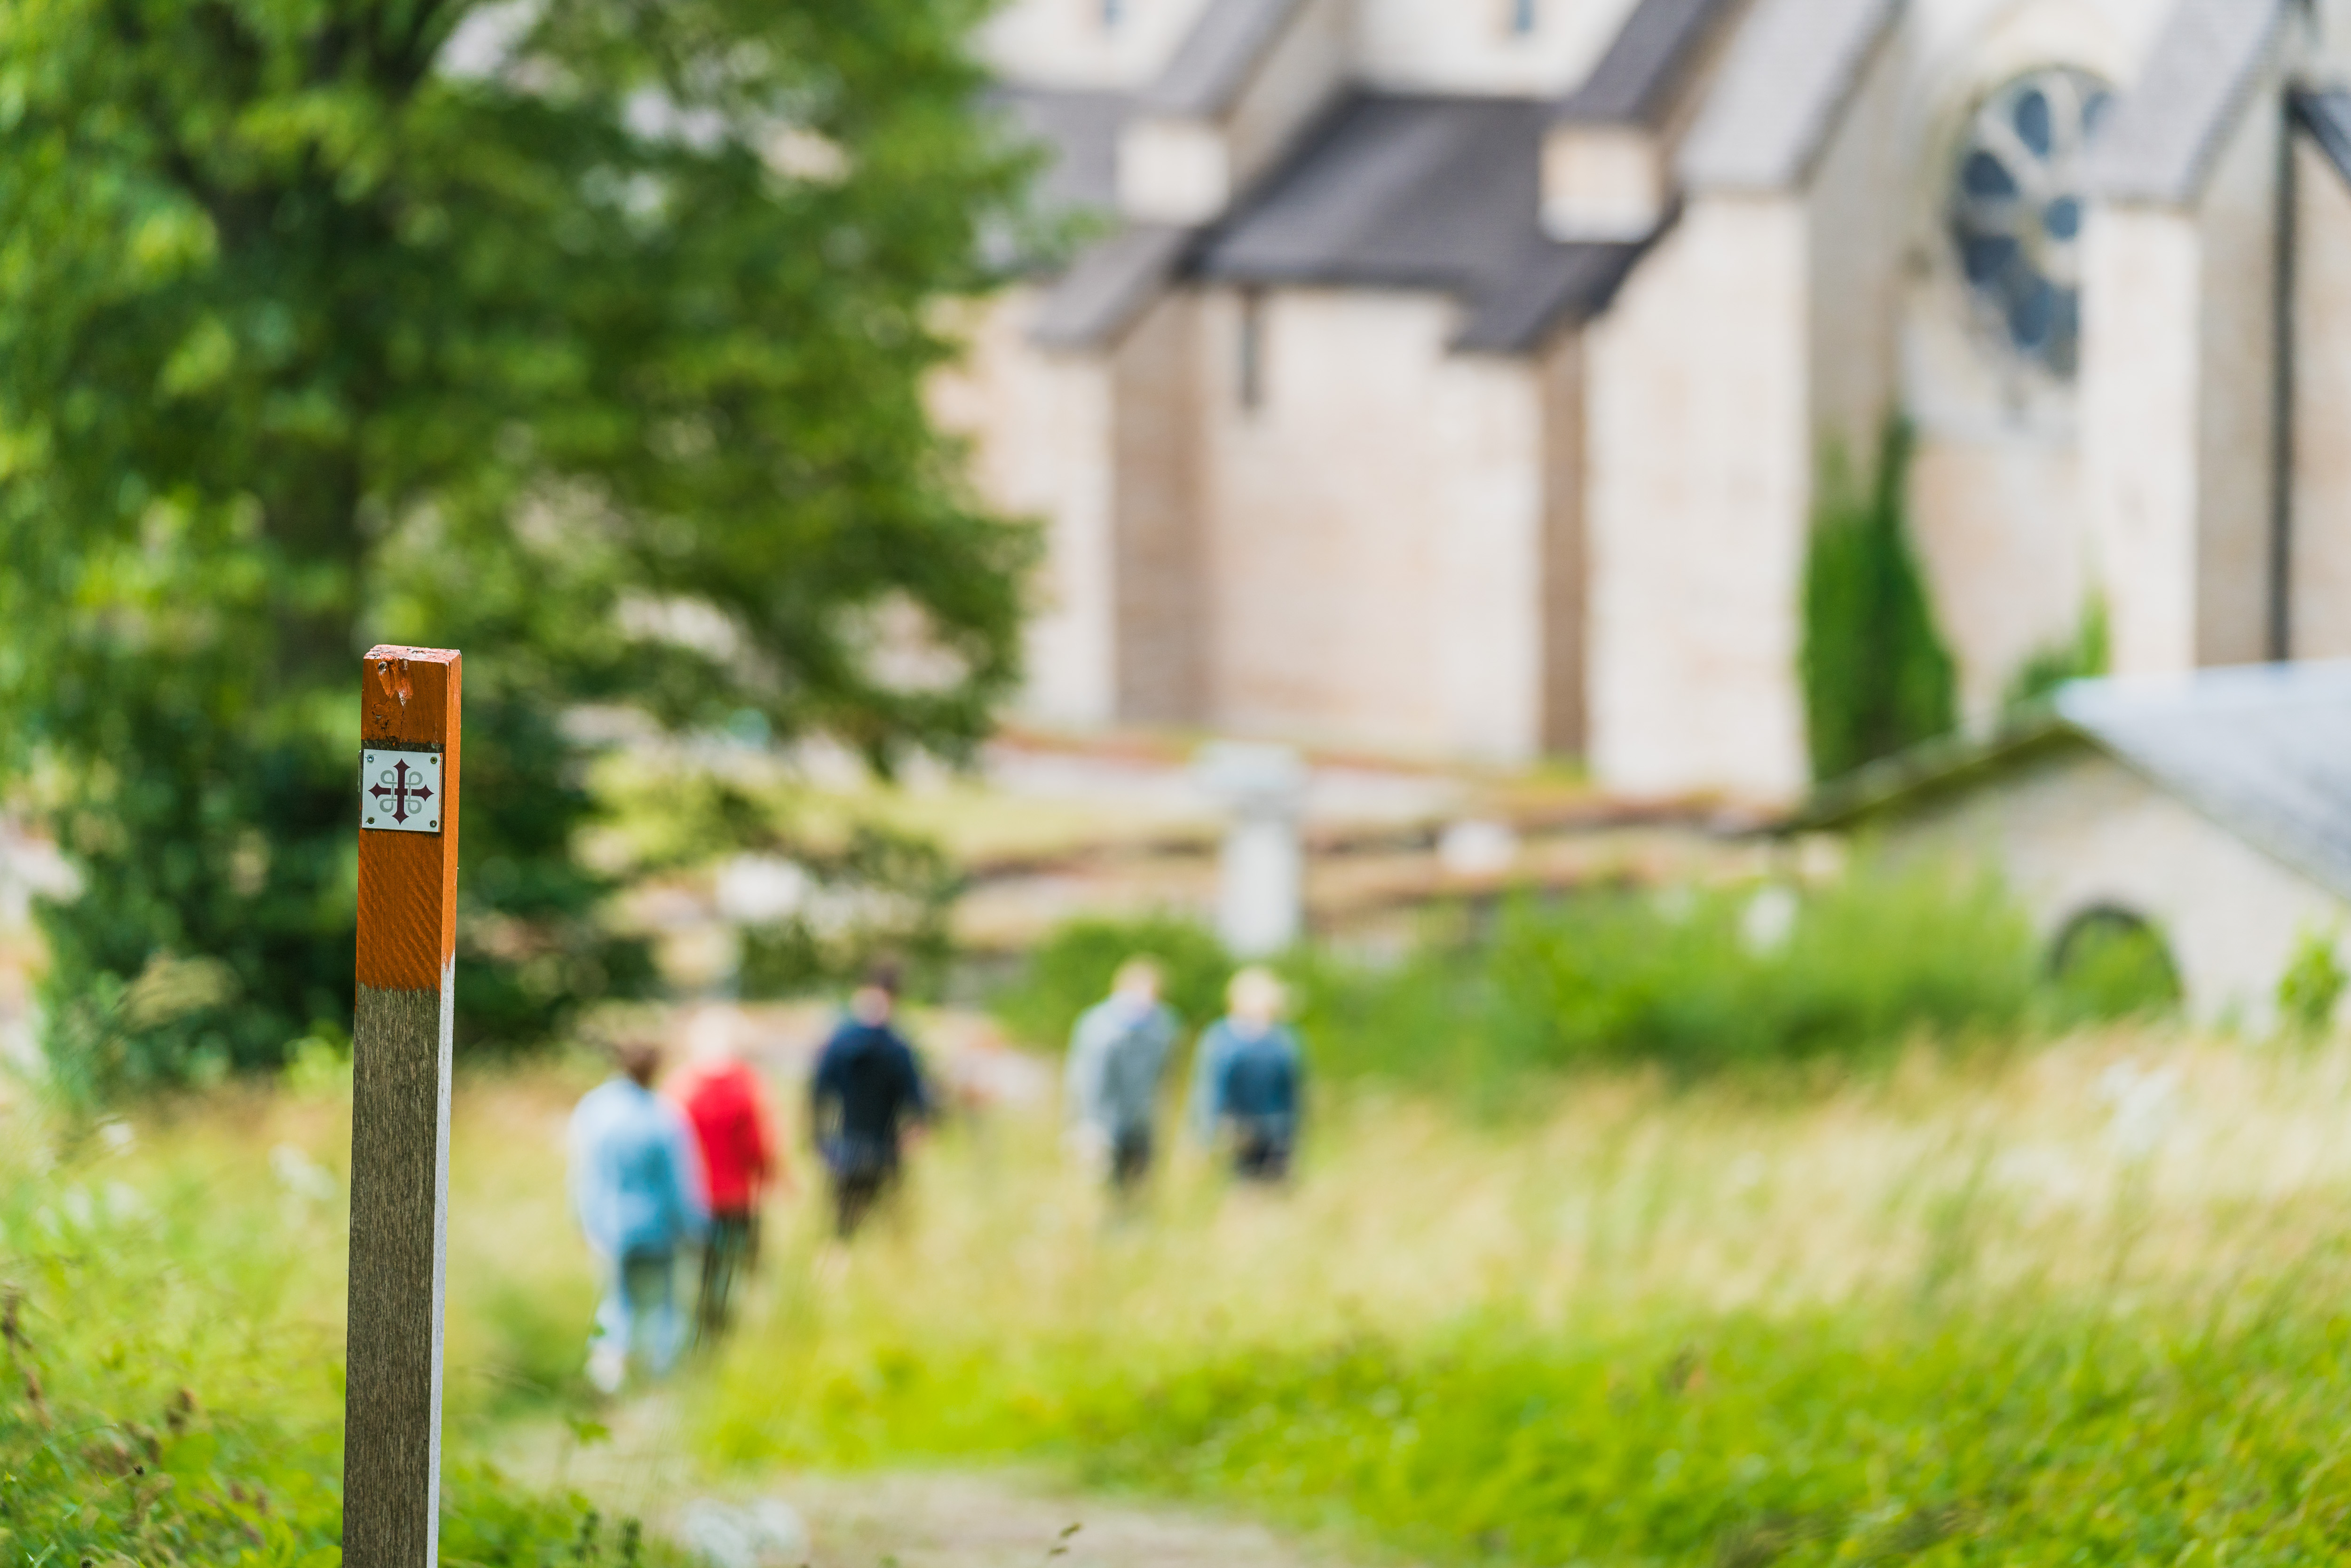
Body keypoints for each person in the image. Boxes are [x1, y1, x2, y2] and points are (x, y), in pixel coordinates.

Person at [569, 1040, 709, 1395]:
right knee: (663, 1304)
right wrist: (696, 1228)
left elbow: (583, 1172)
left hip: (610, 1225)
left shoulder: (595, 1110)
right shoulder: (665, 1117)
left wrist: (582, 1221)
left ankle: (608, 1379)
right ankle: (658, 1379)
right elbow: (681, 1184)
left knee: (617, 1302)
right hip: (659, 1228)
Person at [670, 1008, 787, 1342]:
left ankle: (703, 1332)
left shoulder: (682, 1085)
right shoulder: (746, 1084)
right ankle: (730, 1334)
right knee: (741, 1269)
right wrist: (771, 1177)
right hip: (737, 1197)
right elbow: (758, 1144)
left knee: (700, 1272)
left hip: (695, 1198)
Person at [809, 963, 932, 1239]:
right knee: (889, 1232)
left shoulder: (840, 1040)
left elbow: (817, 1094)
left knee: (842, 1232)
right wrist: (911, 1138)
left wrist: (819, 1141)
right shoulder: (900, 1046)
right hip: (885, 1150)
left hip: (846, 1148)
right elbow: (919, 1106)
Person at [1065, 957, 1179, 1195]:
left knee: (1140, 1181)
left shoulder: (1162, 1027)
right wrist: (1089, 1127)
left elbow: (1164, 1075)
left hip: (1141, 1120)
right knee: (1105, 1186)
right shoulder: (1098, 1028)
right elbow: (1088, 1082)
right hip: (1103, 1120)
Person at [1190, 967, 1304, 1182]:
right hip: (1236, 1132)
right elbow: (1209, 1090)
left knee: (1275, 1193)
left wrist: (1294, 1141)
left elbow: (1293, 1093)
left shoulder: (1284, 1040)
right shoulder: (1221, 1039)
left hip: (1276, 1131)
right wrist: (1206, 1136)